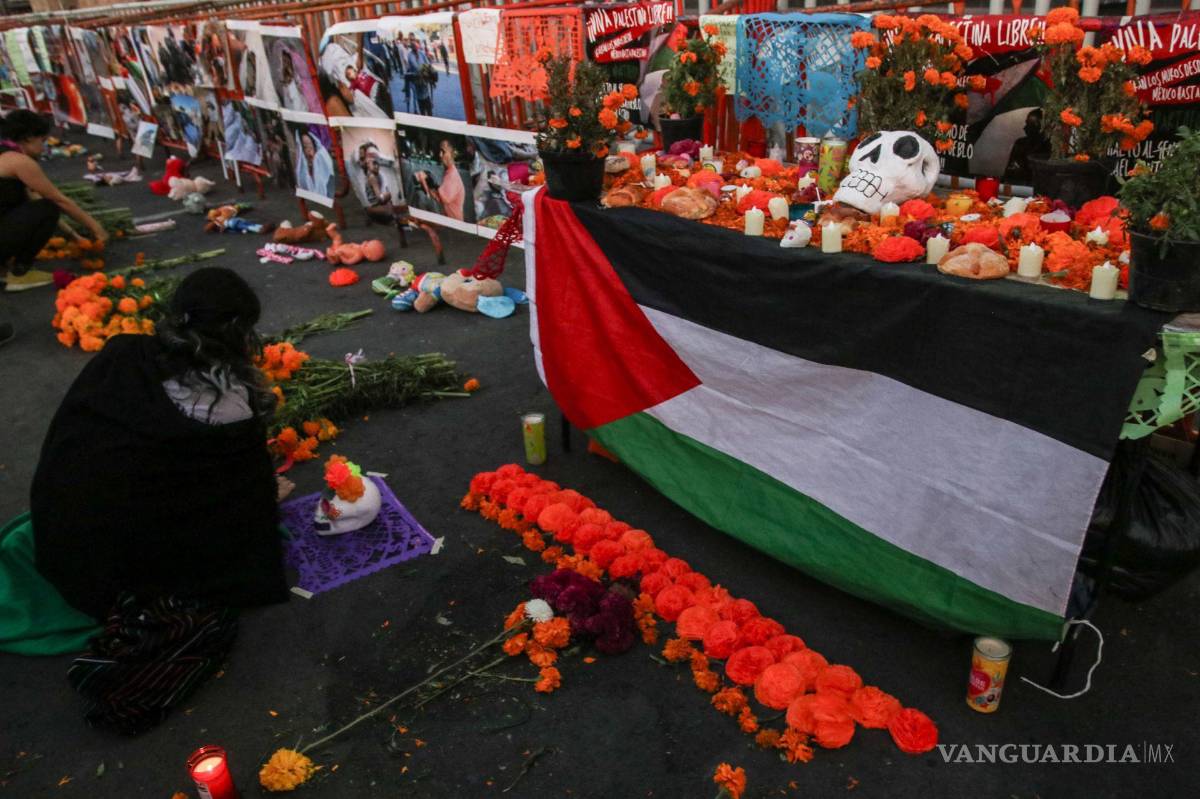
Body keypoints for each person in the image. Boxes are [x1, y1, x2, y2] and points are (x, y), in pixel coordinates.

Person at [30, 267, 290, 621]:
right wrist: (264, 490)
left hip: (59, 538)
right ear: (238, 333)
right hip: (114, 581)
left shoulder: (121, 352)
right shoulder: (230, 407)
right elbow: (247, 514)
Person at [0, 110, 107, 293]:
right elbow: (58, 201)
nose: (44, 147)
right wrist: (96, 227)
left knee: (40, 208)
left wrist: (75, 236)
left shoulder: (5, 153)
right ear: (27, 138)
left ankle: (4, 268)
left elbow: (34, 203)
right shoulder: (19, 162)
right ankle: (20, 272)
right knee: (49, 207)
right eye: (42, 141)